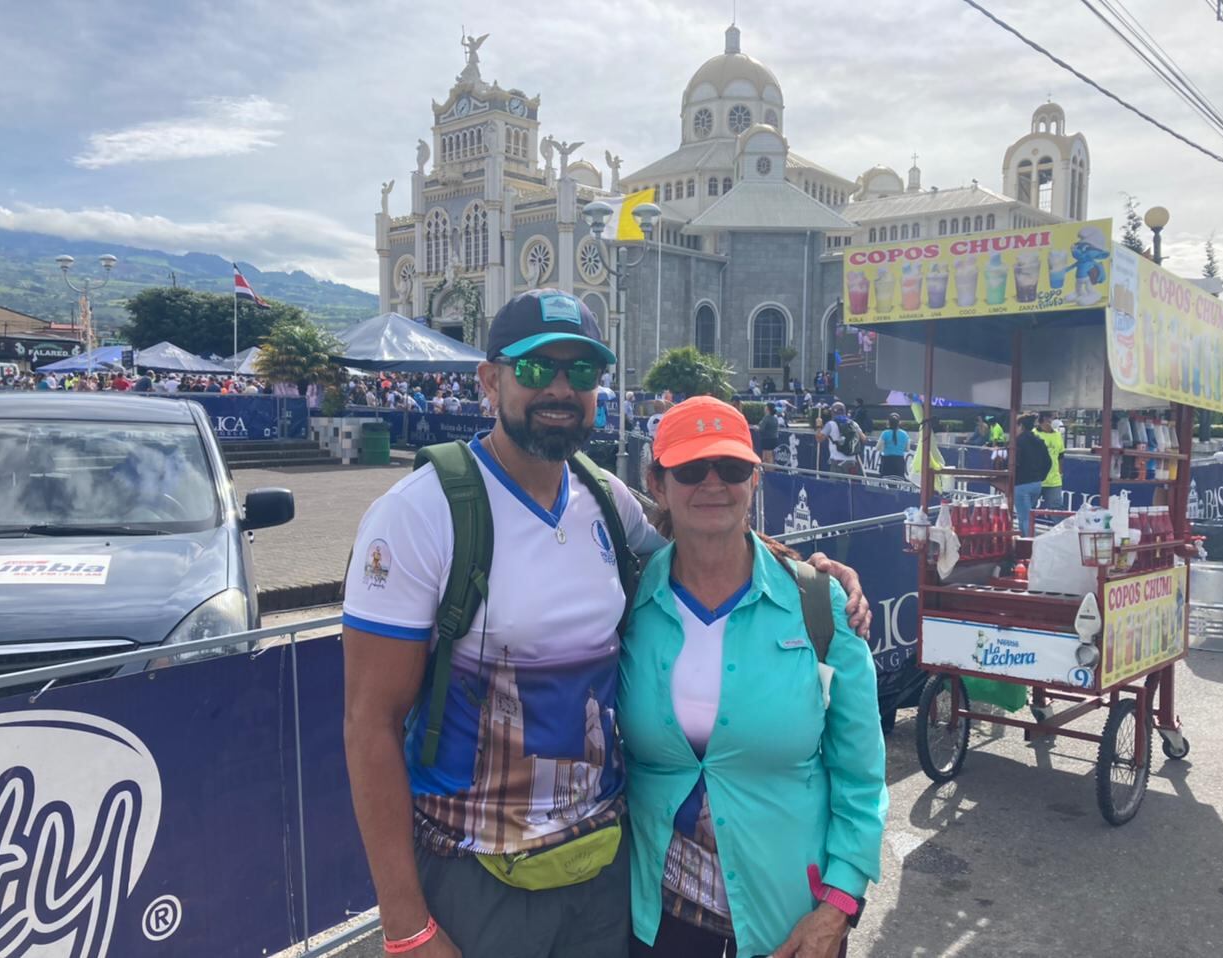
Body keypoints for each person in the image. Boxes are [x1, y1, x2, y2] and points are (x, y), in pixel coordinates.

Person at [342, 289, 873, 958]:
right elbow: (369, 724)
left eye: (583, 372)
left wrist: (809, 571)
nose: (561, 388)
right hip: (477, 872)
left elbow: (709, 544)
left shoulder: (602, 498)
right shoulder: (418, 514)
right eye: (536, 369)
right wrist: (405, 923)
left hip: (602, 877)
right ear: (489, 381)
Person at [621, 396, 887, 958]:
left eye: (732, 468)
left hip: (789, 925)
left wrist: (838, 908)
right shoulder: (628, 603)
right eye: (691, 470)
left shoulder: (817, 602)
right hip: (658, 920)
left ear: (756, 479)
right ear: (657, 482)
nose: (713, 484)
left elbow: (861, 777)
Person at [1014, 413, 1053, 535]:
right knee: (1025, 516)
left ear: (1020, 426)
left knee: (1025, 518)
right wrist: (1040, 477)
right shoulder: (1039, 441)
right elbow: (1048, 462)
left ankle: (1030, 545)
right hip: (1036, 484)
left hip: (1021, 484)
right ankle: (1023, 543)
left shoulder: (1018, 442)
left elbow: (1013, 462)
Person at [822, 401, 865, 477]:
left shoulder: (830, 424)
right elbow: (864, 439)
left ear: (833, 412)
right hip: (852, 462)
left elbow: (819, 439)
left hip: (836, 462)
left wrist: (818, 426)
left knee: (835, 487)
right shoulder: (853, 423)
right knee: (851, 487)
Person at [1035, 410, 1066, 511]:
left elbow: (1061, 455)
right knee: (1030, 509)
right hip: (1036, 480)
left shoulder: (1058, 435)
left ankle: (1059, 527)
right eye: (1054, 418)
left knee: (1057, 509)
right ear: (1045, 418)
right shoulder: (1034, 434)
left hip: (1054, 481)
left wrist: (1060, 473)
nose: (1057, 421)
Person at [876, 412, 911, 479]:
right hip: (899, 461)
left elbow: (877, 448)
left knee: (885, 482)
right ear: (899, 422)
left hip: (887, 461)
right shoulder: (905, 434)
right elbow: (907, 449)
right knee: (899, 482)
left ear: (888, 422)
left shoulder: (885, 433)